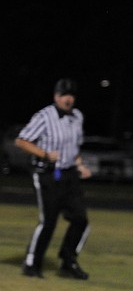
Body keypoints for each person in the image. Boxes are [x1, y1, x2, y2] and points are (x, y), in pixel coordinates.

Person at [15, 78, 92, 280]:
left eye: (71, 96)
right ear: (56, 96)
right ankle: (32, 262)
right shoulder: (44, 116)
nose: (68, 99)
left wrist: (80, 165)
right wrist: (45, 154)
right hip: (47, 173)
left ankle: (68, 261)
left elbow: (74, 148)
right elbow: (22, 141)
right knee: (48, 221)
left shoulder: (77, 117)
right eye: (64, 95)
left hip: (68, 174)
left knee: (81, 219)